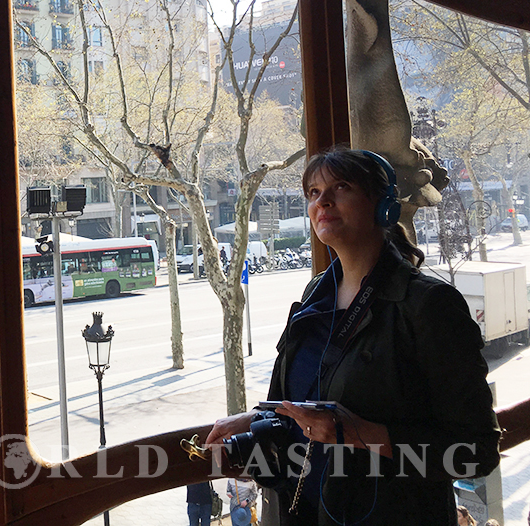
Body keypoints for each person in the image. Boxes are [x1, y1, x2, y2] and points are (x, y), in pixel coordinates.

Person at [205, 147, 500, 525]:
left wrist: (364, 434)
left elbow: (476, 452)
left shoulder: (429, 305)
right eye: (313, 192)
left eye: (340, 187)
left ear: (385, 207)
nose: (322, 201)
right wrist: (255, 419)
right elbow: (311, 403)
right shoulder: (315, 295)